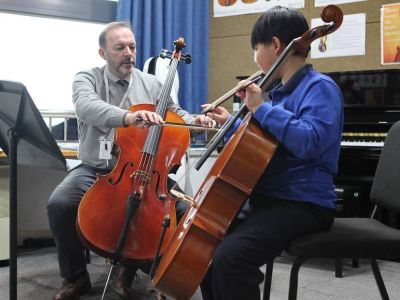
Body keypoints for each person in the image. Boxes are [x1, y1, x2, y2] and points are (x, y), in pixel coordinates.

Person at [47, 21, 214, 300]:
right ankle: (75, 276)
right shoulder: (88, 78)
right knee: (60, 203)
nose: (129, 53)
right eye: (120, 47)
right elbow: (86, 107)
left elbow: (176, 115)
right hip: (97, 168)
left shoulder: (151, 84)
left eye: (132, 47)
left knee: (184, 211)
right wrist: (128, 117)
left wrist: (196, 121)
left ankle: (140, 268)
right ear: (103, 54)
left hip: (147, 172)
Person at [200, 6, 344, 300]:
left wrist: (260, 107)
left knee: (231, 258)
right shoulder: (279, 93)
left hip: (304, 203)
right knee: (203, 247)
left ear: (275, 45)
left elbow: (309, 141)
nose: (255, 57)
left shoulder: (320, 88)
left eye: (256, 48)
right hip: (270, 199)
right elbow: (262, 144)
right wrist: (230, 121)